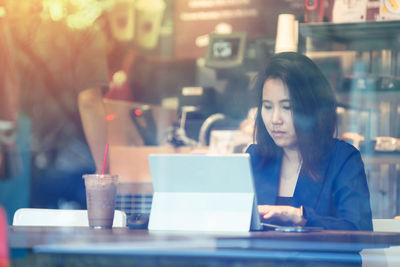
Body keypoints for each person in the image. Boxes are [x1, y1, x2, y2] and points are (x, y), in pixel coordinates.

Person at [247, 52, 372, 230]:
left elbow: (359, 230)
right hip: (260, 259)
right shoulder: (254, 157)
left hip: (317, 259)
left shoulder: (342, 159)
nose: (275, 119)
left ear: (313, 109)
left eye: (287, 107)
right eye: (267, 106)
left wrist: (301, 217)